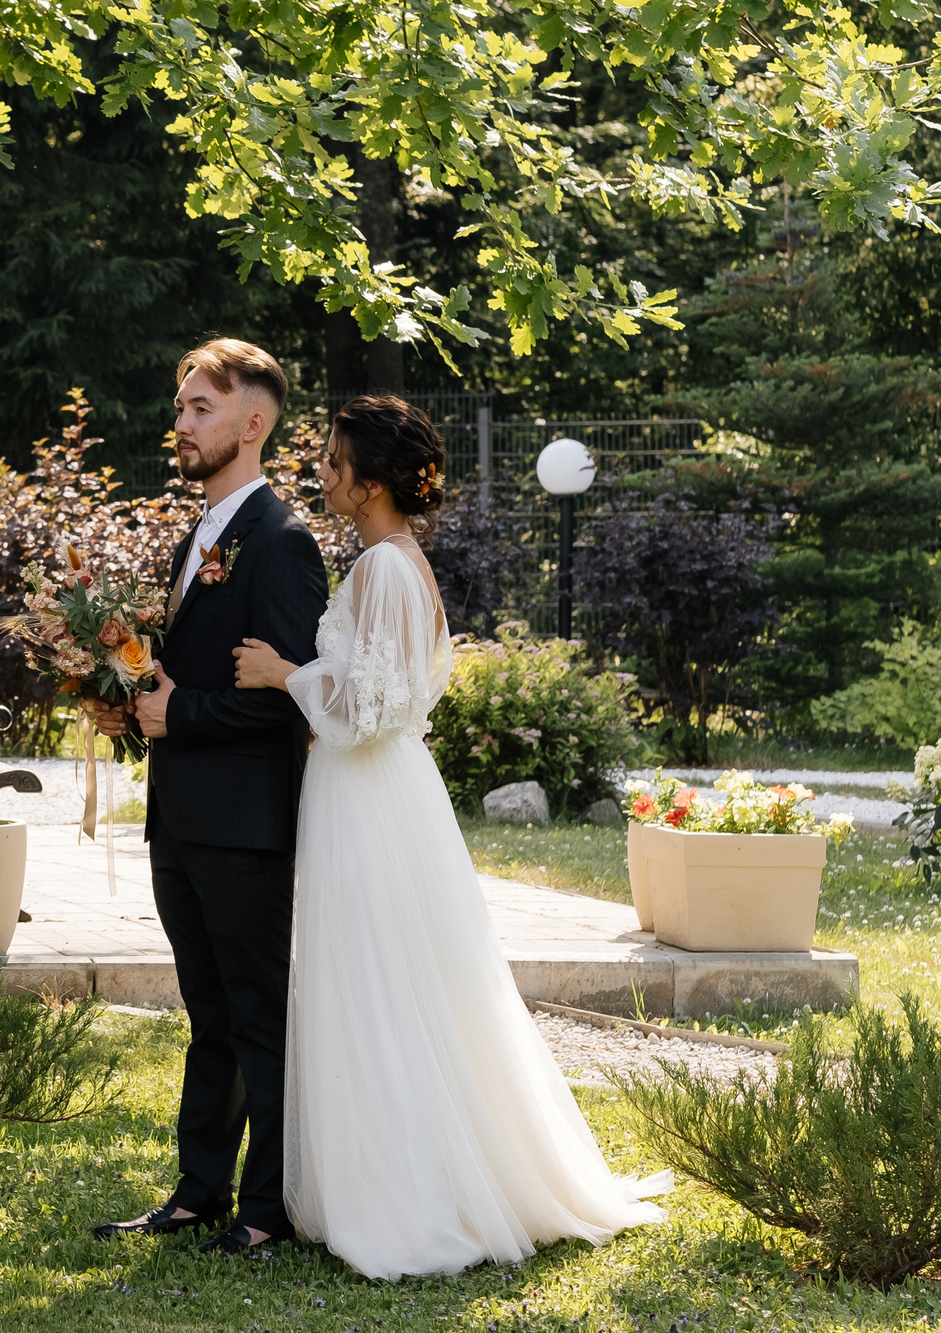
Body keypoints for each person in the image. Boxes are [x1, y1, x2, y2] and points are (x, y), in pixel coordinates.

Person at [230, 395, 671, 1279]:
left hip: (370, 794)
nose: (322, 471)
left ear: (371, 482)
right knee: (390, 977)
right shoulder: (393, 564)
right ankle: (392, 1168)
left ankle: (408, 1193)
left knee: (381, 981)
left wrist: (285, 676)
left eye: (333, 460)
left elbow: (376, 708)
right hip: (371, 793)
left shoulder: (386, 571)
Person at [85, 340, 328, 1256]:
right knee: (208, 1013)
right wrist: (131, 706)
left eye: (198, 408)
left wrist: (180, 715)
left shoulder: (283, 541)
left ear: (252, 423)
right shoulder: (199, 537)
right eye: (180, 407)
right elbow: (183, 677)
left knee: (258, 1017)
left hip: (246, 827)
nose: (179, 422)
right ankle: (199, 1191)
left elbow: (289, 701)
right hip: (182, 820)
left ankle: (267, 1208)